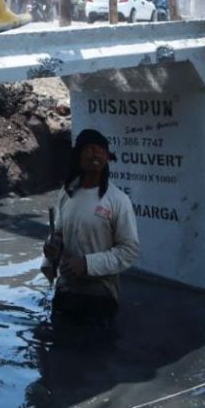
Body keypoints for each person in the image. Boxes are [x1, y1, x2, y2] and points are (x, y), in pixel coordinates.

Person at [42, 129, 140, 321]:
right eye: (89, 149)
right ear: (78, 156)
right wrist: (52, 246)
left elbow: (130, 251)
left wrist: (87, 264)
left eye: (101, 150)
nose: (95, 153)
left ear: (107, 158)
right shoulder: (67, 193)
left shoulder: (118, 200)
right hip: (66, 290)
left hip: (101, 294)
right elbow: (59, 233)